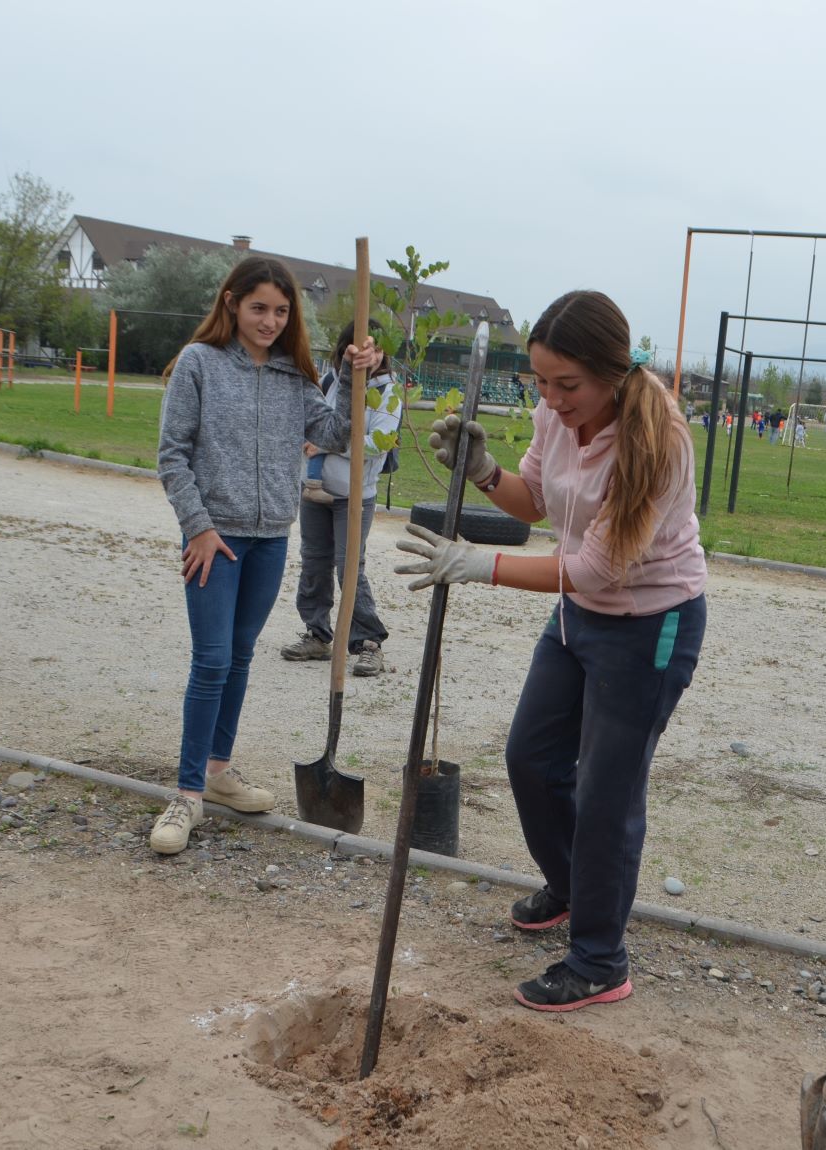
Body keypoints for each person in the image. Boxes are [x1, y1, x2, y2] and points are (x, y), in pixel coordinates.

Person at [396, 289, 707, 1013]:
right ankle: (572, 887)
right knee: (530, 758)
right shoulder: (553, 414)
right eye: (540, 382)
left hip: (648, 624)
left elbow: (599, 567)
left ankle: (600, 959)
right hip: (578, 616)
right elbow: (534, 500)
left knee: (606, 793)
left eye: (566, 385)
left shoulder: (655, 440)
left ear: (612, 373)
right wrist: (482, 471)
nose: (551, 399)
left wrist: (477, 564)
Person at [150, 256, 364, 856]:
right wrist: (197, 528)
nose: (270, 320)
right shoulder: (199, 364)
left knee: (240, 657)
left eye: (281, 310)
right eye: (259, 308)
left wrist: (350, 376)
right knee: (212, 659)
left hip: (271, 538)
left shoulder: (296, 376)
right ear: (231, 304)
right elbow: (172, 454)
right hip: (216, 539)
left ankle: (218, 772)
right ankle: (187, 793)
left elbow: (338, 432)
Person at [280, 320, 400, 677]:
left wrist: (331, 443)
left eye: (377, 348)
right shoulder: (332, 381)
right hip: (315, 490)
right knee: (314, 562)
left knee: (349, 567)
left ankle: (368, 641)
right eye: (363, 347)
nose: (371, 355)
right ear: (346, 349)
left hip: (354, 493)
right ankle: (317, 633)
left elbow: (379, 442)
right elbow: (316, 421)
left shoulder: (387, 393)